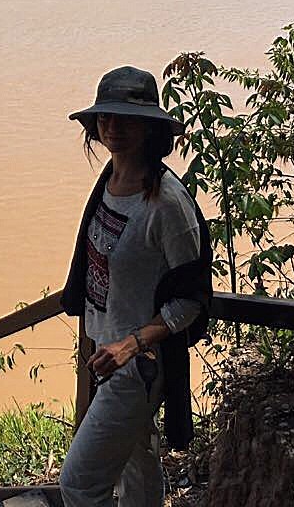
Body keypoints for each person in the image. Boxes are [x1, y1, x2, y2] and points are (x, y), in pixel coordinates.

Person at [59, 65, 212, 507]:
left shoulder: (167, 204)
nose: (113, 127)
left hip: (137, 365)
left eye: (126, 119)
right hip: (106, 351)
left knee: (79, 484)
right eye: (106, 118)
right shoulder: (109, 182)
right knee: (137, 467)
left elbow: (191, 298)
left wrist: (131, 343)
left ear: (149, 128)